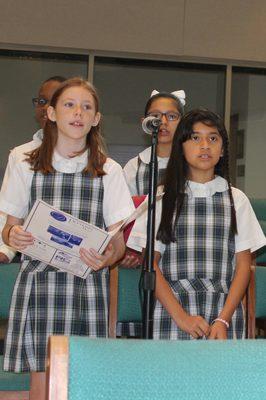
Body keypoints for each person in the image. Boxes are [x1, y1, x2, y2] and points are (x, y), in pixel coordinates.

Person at [0, 78, 134, 392]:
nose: (78, 113)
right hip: (39, 284)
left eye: (87, 107)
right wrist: (14, 236)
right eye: (69, 105)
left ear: (96, 118)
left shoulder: (109, 170)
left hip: (87, 287)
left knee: (83, 379)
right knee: (42, 378)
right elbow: (10, 226)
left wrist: (106, 258)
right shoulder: (23, 161)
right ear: (51, 113)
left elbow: (118, 242)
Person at [128, 109, 266, 340]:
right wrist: (182, 317)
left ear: (222, 149)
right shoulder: (163, 198)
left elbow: (243, 266)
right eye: (195, 138)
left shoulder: (236, 199)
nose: (205, 145)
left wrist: (223, 319)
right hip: (172, 313)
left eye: (213, 138)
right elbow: (150, 264)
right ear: (180, 147)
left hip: (224, 314)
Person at [0, 76, 66, 264]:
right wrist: (5, 250)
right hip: (30, 255)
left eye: (54, 102)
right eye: (42, 101)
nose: (46, 108)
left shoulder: (89, 158)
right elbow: (7, 211)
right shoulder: (21, 155)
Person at [123, 89, 185, 196]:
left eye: (171, 116)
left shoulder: (193, 163)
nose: (163, 122)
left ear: (183, 123)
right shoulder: (133, 167)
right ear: (145, 123)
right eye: (155, 116)